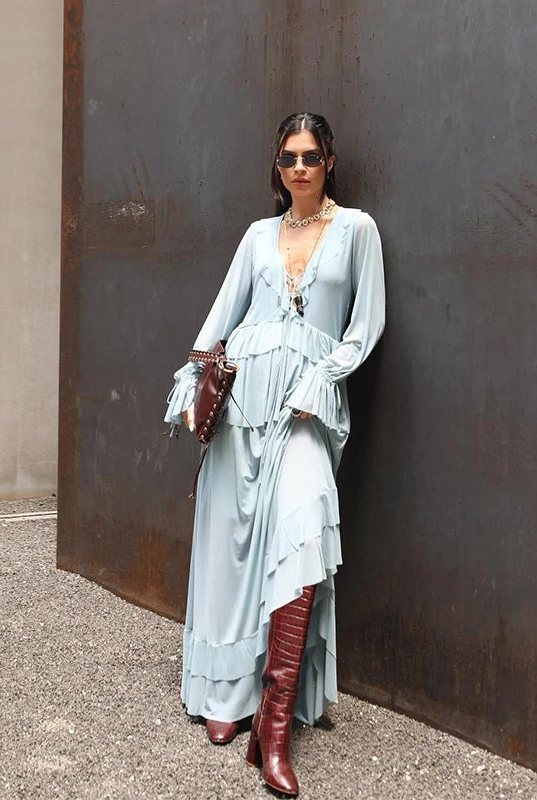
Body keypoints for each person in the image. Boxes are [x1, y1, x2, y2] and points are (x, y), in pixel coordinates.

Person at [163, 111, 385, 796]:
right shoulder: (259, 235)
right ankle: (226, 699)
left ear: (329, 162)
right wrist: (193, 377)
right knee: (230, 552)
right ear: (276, 165)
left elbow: (366, 323)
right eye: (289, 157)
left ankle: (275, 727)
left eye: (311, 156)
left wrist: (325, 377)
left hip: (306, 408)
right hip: (241, 407)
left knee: (304, 534)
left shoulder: (357, 230)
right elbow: (221, 315)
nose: (299, 168)